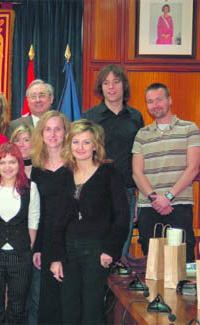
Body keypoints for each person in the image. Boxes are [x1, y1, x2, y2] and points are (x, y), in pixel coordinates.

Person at [50, 119, 130, 325]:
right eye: (76, 142)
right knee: (68, 309)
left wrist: (110, 250)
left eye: (86, 142)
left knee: (92, 311)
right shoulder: (63, 175)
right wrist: (56, 257)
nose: (81, 148)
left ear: (95, 145)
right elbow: (56, 220)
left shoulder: (109, 173)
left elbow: (122, 216)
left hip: (97, 250)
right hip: (68, 251)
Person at [132, 83, 200, 262]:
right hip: (149, 207)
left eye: (159, 100)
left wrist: (168, 197)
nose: (155, 105)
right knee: (152, 263)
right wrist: (155, 198)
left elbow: (193, 168)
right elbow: (136, 173)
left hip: (178, 204)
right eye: (150, 101)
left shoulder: (189, 129)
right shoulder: (142, 134)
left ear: (170, 100)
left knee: (183, 261)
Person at [83, 65, 144, 258]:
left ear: (123, 86)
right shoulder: (90, 117)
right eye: (106, 83)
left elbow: (140, 158)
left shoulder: (135, 117)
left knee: (120, 255)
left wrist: (138, 200)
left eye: (116, 82)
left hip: (126, 193)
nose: (111, 87)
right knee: (96, 253)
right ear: (100, 88)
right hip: (96, 192)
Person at [0, 143, 40, 324]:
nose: (7, 167)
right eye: (2, 162)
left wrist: (25, 249)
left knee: (17, 309)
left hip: (20, 256)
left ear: (19, 164)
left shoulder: (31, 188)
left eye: (12, 162)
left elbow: (33, 222)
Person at [29, 110, 71, 324]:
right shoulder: (35, 168)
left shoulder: (75, 164)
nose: (53, 134)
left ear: (65, 133)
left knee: (69, 302)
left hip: (71, 240)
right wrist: (37, 248)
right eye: (48, 129)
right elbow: (37, 212)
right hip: (46, 241)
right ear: (41, 133)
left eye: (58, 129)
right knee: (47, 301)